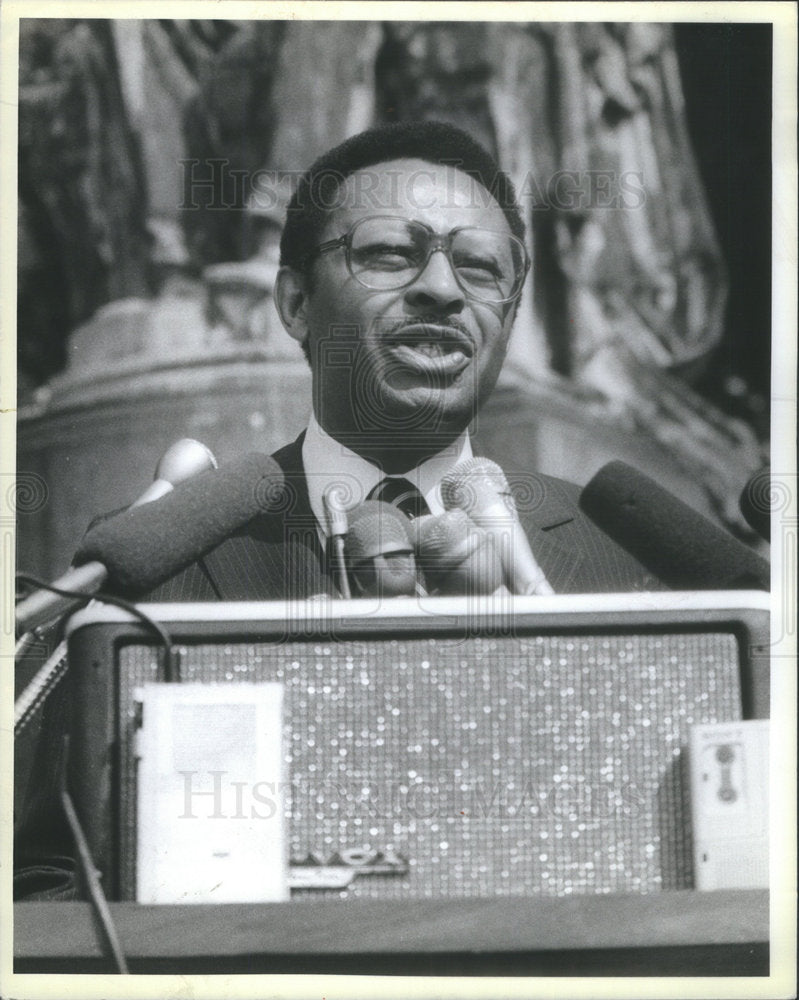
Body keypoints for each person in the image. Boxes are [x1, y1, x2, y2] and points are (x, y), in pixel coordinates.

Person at [142, 120, 663, 603]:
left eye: (480, 267)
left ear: (509, 320)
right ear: (297, 305)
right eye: (391, 253)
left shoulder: (626, 556)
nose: (441, 289)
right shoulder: (156, 558)